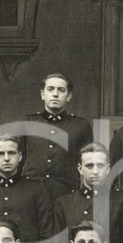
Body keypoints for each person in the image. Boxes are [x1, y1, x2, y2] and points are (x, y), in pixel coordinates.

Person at [52, 142, 123, 243]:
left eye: (100, 165)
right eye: (89, 166)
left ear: (108, 168)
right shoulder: (65, 203)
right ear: (80, 168)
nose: (95, 171)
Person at [21, 73, 94, 201]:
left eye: (61, 90)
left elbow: (88, 164)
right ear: (42, 94)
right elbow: (18, 160)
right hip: (31, 196)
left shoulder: (80, 125)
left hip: (66, 196)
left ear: (69, 96)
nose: (55, 94)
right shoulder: (27, 123)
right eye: (50, 89)